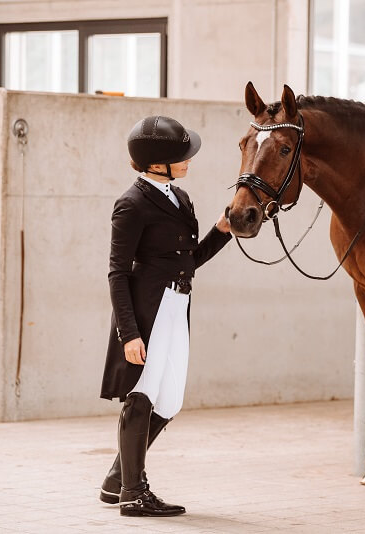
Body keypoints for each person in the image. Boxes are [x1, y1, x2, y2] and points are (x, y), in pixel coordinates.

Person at [99, 115, 232, 516]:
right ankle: (134, 494)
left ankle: (115, 481)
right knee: (141, 395)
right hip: (148, 312)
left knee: (169, 400)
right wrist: (129, 333)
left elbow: (188, 262)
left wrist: (222, 231)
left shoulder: (180, 198)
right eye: (181, 156)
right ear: (157, 163)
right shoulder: (132, 204)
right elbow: (117, 273)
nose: (188, 160)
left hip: (178, 306)